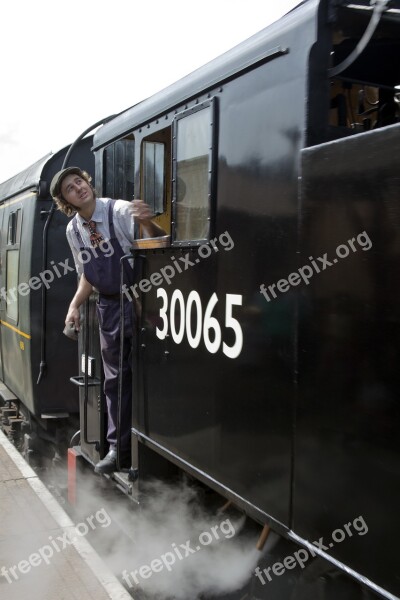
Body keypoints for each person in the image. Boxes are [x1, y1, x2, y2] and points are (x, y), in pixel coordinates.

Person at [50, 167, 164, 474]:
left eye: (79, 182)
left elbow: (158, 244)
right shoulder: (74, 230)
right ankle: (118, 449)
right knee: (114, 382)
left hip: (143, 302)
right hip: (109, 307)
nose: (78, 188)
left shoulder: (120, 211)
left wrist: (146, 223)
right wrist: (74, 305)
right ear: (66, 201)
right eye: (70, 189)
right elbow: (87, 273)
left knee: (151, 377)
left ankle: (153, 445)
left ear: (88, 182)